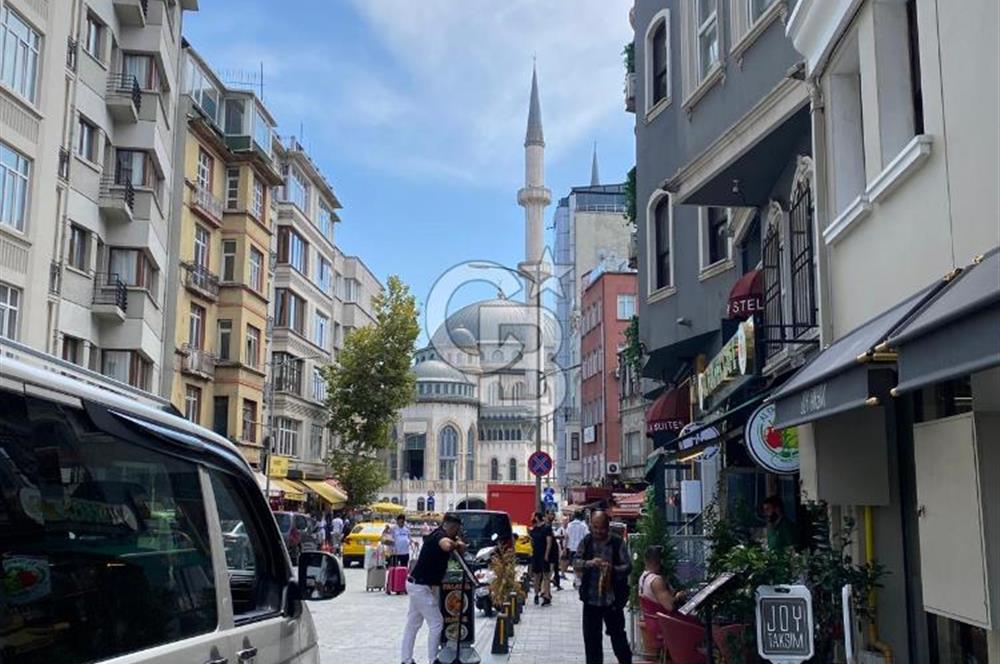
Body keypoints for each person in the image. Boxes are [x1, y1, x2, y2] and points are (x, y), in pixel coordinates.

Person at [400, 513, 466, 664]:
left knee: (413, 624)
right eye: (456, 529)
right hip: (420, 586)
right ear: (451, 526)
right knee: (436, 623)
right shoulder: (439, 535)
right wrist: (456, 544)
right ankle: (433, 659)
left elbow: (460, 546)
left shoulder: (446, 535)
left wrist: (459, 542)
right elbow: (446, 545)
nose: (457, 532)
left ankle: (406, 660)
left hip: (419, 585)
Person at [574, 511, 633, 664]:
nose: (599, 531)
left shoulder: (617, 542)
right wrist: (589, 563)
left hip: (612, 600)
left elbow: (627, 567)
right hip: (591, 599)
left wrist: (612, 569)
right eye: (595, 527)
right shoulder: (587, 541)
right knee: (591, 639)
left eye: (602, 528)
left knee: (618, 636)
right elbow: (575, 562)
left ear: (608, 526)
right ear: (590, 526)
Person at [638, 545, 685, 612]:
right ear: (659, 561)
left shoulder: (643, 577)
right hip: (664, 620)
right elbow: (670, 606)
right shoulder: (656, 580)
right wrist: (678, 597)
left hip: (654, 619)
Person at [529, 511, 554, 606]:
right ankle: (536, 594)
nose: (532, 518)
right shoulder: (534, 529)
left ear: (536, 517)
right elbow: (532, 541)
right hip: (536, 554)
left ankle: (546, 596)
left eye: (533, 516)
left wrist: (546, 555)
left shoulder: (546, 528)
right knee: (536, 575)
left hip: (543, 554)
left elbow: (549, 542)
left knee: (546, 575)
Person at [566, 511, 589, 588]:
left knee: (574, 565)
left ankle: (576, 579)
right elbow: (587, 536)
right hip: (581, 548)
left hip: (572, 548)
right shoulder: (583, 525)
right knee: (581, 565)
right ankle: (579, 580)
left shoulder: (569, 525)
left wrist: (565, 547)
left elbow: (567, 536)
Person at [547, 511, 564, 590]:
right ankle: (546, 585)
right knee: (551, 567)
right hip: (551, 549)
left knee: (556, 567)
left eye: (553, 515)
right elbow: (550, 537)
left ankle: (557, 583)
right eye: (551, 515)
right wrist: (558, 537)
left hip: (554, 548)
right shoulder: (547, 525)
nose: (553, 516)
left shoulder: (549, 525)